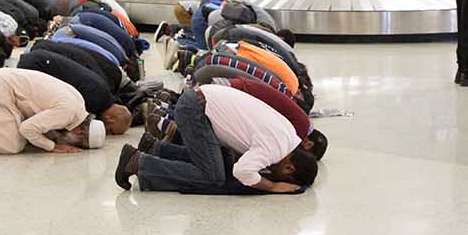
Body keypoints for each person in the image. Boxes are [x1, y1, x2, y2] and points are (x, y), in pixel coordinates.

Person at [115, 84, 317, 194]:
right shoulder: (275, 149)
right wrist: (272, 186)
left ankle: (155, 148)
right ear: (290, 168)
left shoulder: (289, 135)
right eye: (282, 177)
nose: (273, 174)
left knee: (217, 160)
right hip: (196, 108)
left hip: (203, 98)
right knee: (214, 176)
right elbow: (242, 172)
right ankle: (138, 162)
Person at [0, 67, 105, 155]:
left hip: (3, 82)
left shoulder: (79, 104)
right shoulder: (66, 113)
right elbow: (27, 129)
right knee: (13, 145)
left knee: (19, 139)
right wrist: (52, 146)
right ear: (78, 133)